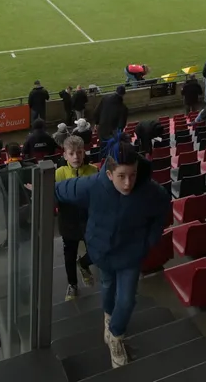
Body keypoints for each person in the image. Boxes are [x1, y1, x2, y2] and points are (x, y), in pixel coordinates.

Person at [55, 137, 170, 368]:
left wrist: (149, 240)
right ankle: (108, 319)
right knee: (107, 288)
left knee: (127, 301)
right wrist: (38, 186)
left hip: (131, 254)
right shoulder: (93, 185)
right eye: (121, 176)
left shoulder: (148, 190)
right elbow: (63, 189)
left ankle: (116, 336)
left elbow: (163, 208)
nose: (128, 183)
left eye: (133, 175)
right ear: (109, 174)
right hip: (103, 253)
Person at [55, 136, 97, 300]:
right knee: (69, 255)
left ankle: (84, 263)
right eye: (71, 153)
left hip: (89, 220)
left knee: (95, 251)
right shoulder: (59, 173)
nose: (75, 157)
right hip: (68, 221)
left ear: (84, 152)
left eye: (79, 152)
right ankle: (72, 284)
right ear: (65, 155)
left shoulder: (93, 170)